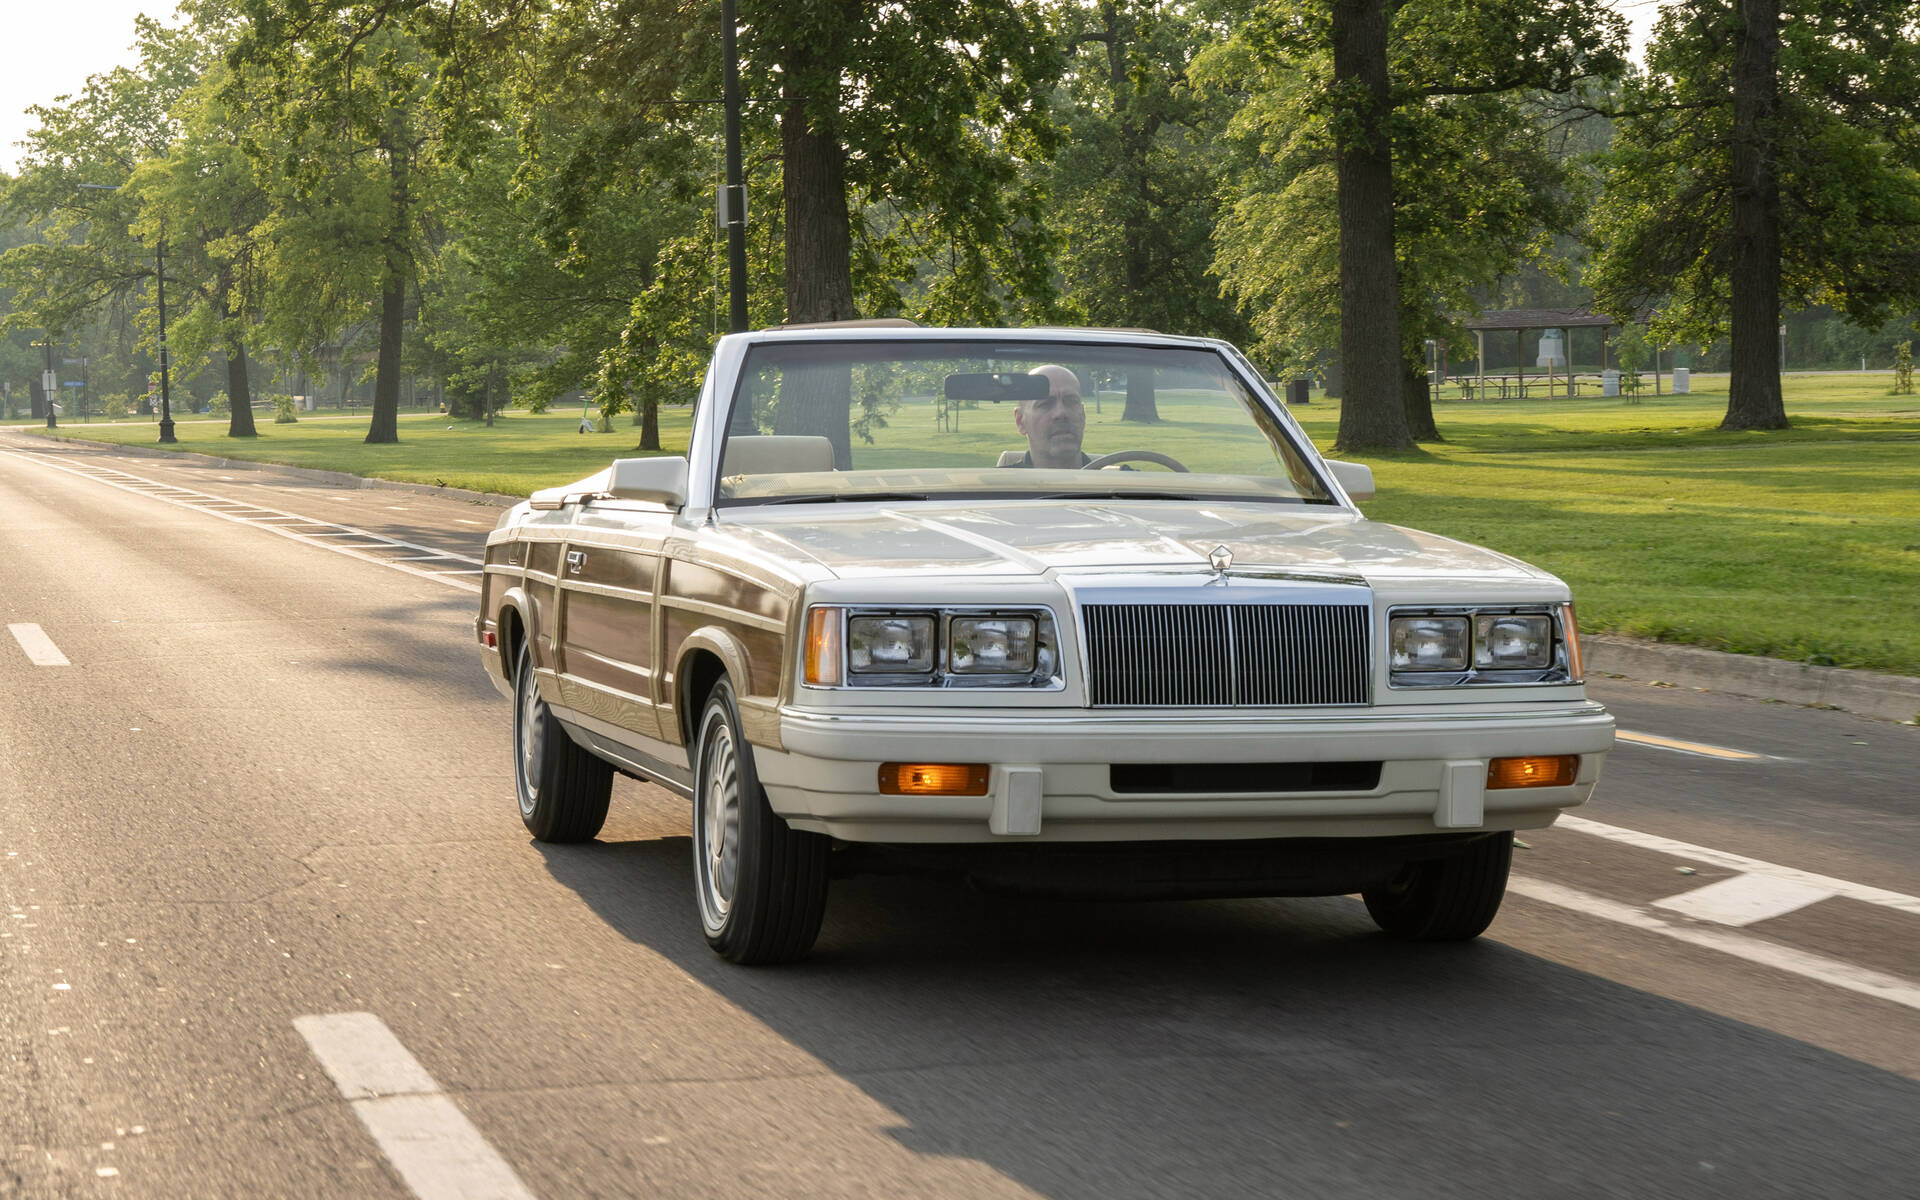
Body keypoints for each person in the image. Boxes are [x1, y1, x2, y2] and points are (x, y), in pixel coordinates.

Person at [1007, 364, 1091, 468]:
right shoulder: (1000, 483)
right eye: (1045, 404)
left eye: (1071, 402)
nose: (1061, 413)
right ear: (1020, 421)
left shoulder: (1113, 481)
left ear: (1083, 415)